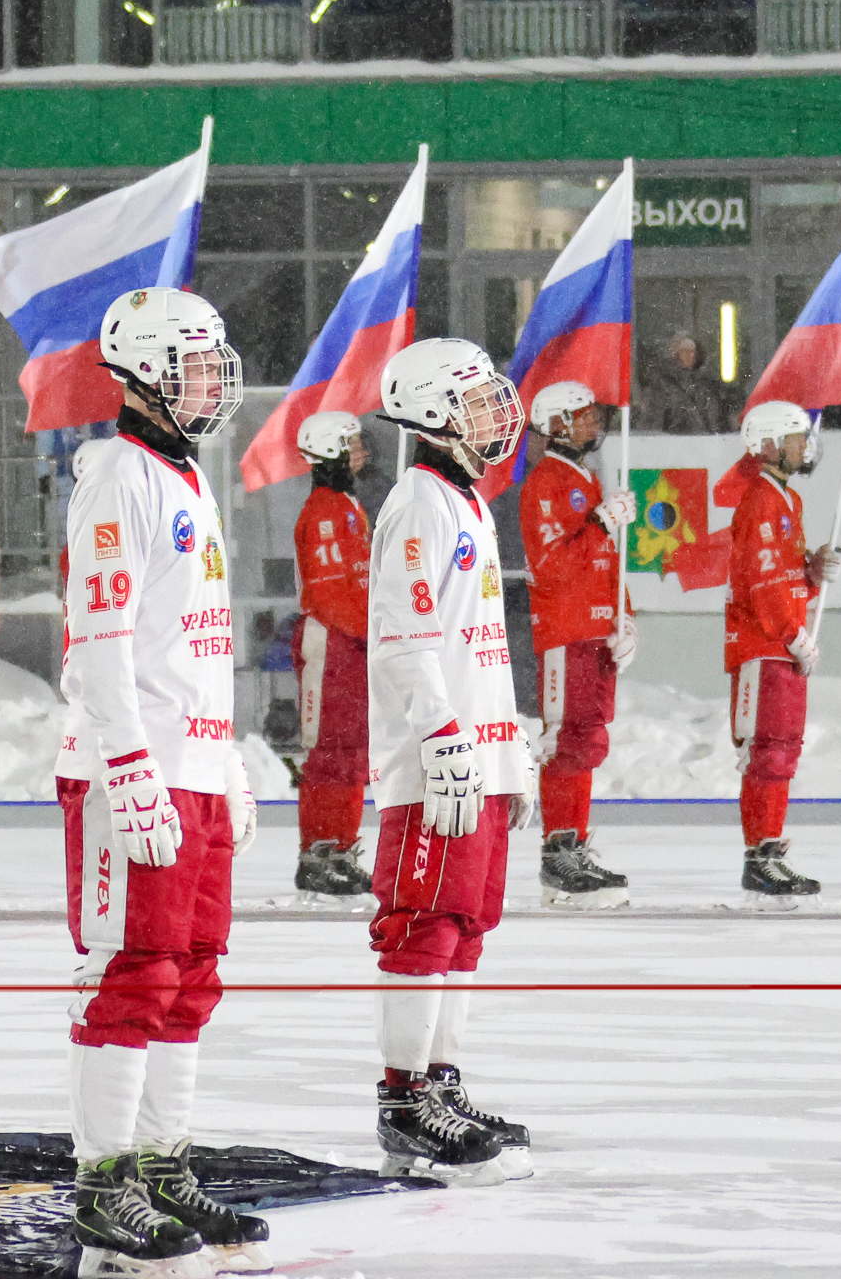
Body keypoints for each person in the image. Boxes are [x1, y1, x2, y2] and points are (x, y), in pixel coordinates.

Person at [55, 287, 267, 1272]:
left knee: (192, 974)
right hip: (129, 770)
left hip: (193, 765)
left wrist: (223, 759)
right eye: (195, 366)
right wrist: (128, 764)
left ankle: (162, 1160)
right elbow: (100, 637)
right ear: (142, 376)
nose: (214, 383)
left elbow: (193, 646)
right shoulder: (118, 474)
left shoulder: (188, 476)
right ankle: (106, 1180)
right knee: (132, 974)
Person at [365, 337, 535, 1181]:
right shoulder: (420, 504)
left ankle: (440, 1079)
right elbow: (404, 637)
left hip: (482, 758)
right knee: (424, 926)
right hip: (436, 764)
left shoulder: (470, 503)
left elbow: (480, 647)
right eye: (474, 400)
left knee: (466, 926)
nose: (495, 413)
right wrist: (441, 737)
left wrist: (509, 749)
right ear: (433, 414)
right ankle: (404, 1102)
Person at [518, 380, 635, 907]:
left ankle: (575, 842)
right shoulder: (545, 482)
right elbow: (553, 565)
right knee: (565, 742)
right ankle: (556, 850)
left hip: (595, 630)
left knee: (587, 742)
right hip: (565, 632)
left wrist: (624, 617)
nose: (594, 424)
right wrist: (599, 524)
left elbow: (608, 564)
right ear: (558, 423)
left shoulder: (584, 480)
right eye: (583, 416)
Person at [725, 401, 830, 901]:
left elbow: (783, 578)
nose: (804, 446)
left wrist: (810, 573)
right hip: (762, 647)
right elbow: (762, 585)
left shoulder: (788, 500)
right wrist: (793, 633)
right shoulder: (761, 502)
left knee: (783, 752)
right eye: (796, 437)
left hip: (781, 645)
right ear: (769, 444)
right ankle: (758, 857)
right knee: (765, 753)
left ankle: (770, 850)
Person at [290, 409, 376, 900]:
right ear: (328, 453)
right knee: (326, 751)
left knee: (351, 751)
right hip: (333, 640)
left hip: (355, 641)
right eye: (350, 444)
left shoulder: (346, 504)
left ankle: (340, 847)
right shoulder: (324, 509)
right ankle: (317, 852)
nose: (360, 451)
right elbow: (330, 592)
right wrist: (371, 629)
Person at [640, 330, 727, 433]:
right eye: (684, 351)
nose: (689, 355)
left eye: (692, 351)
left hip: (705, 441)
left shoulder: (706, 384)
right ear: (676, 354)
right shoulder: (662, 384)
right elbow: (654, 422)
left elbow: (715, 419)